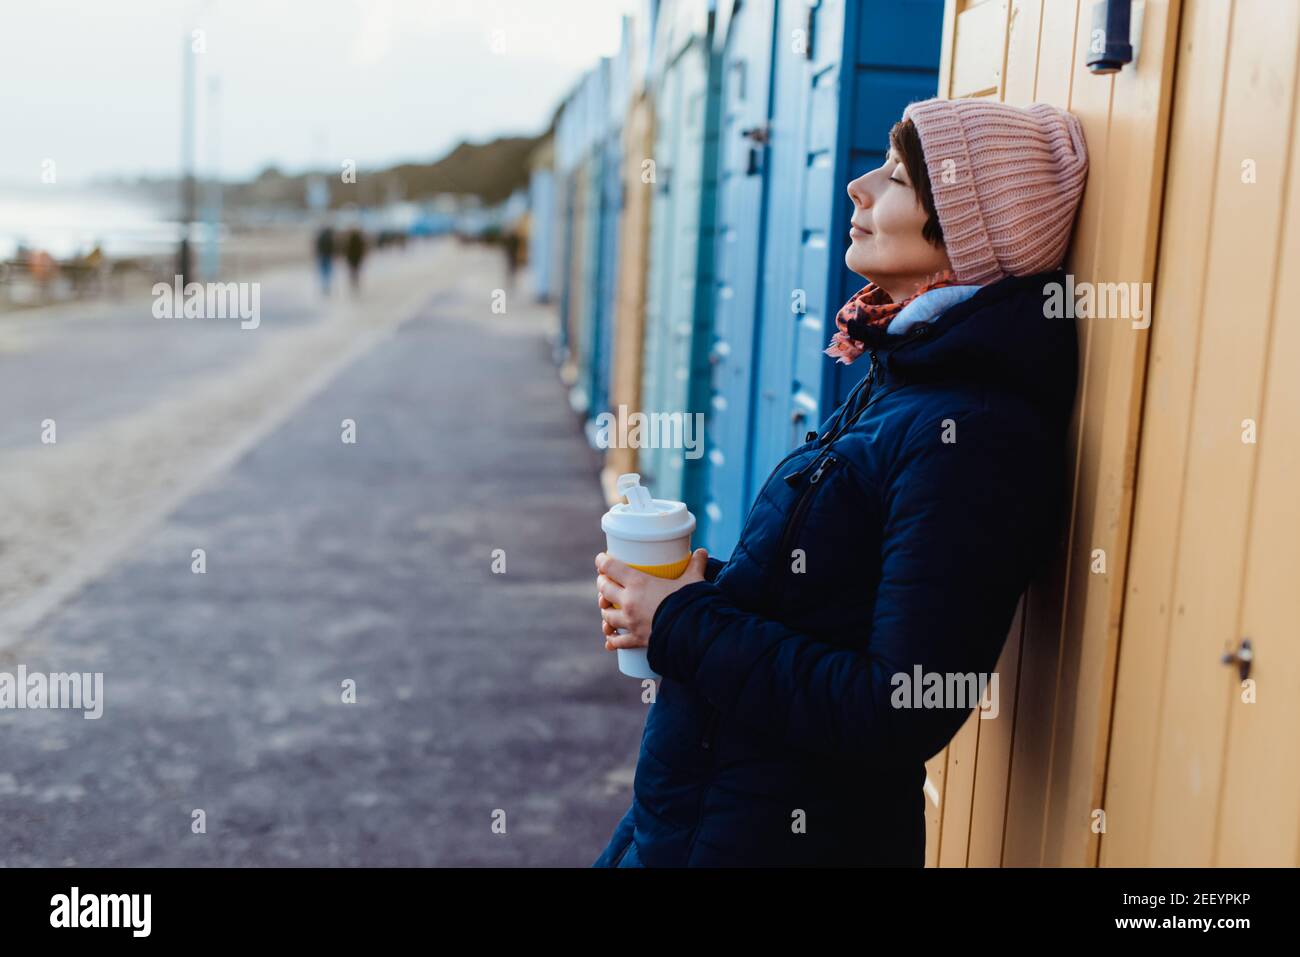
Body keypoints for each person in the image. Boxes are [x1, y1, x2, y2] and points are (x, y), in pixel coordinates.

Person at [592, 98, 1089, 867]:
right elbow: (835, 604)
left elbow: (899, 705)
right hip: (698, 822)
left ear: (962, 230)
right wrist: (699, 592)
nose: (858, 186)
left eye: (895, 177)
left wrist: (685, 623)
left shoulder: (975, 434)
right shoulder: (908, 374)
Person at [314, 224, 335, 296]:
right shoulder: (329, 238)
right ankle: (327, 285)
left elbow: (317, 246)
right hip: (328, 256)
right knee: (328, 272)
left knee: (323, 272)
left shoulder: (320, 237)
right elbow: (332, 247)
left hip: (322, 256)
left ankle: (324, 286)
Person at [344, 228, 366, 294]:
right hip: (357, 258)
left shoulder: (348, 240)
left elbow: (346, 250)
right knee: (356, 270)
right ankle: (355, 281)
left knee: (352, 270)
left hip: (351, 258)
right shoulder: (359, 239)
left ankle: (353, 281)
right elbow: (362, 249)